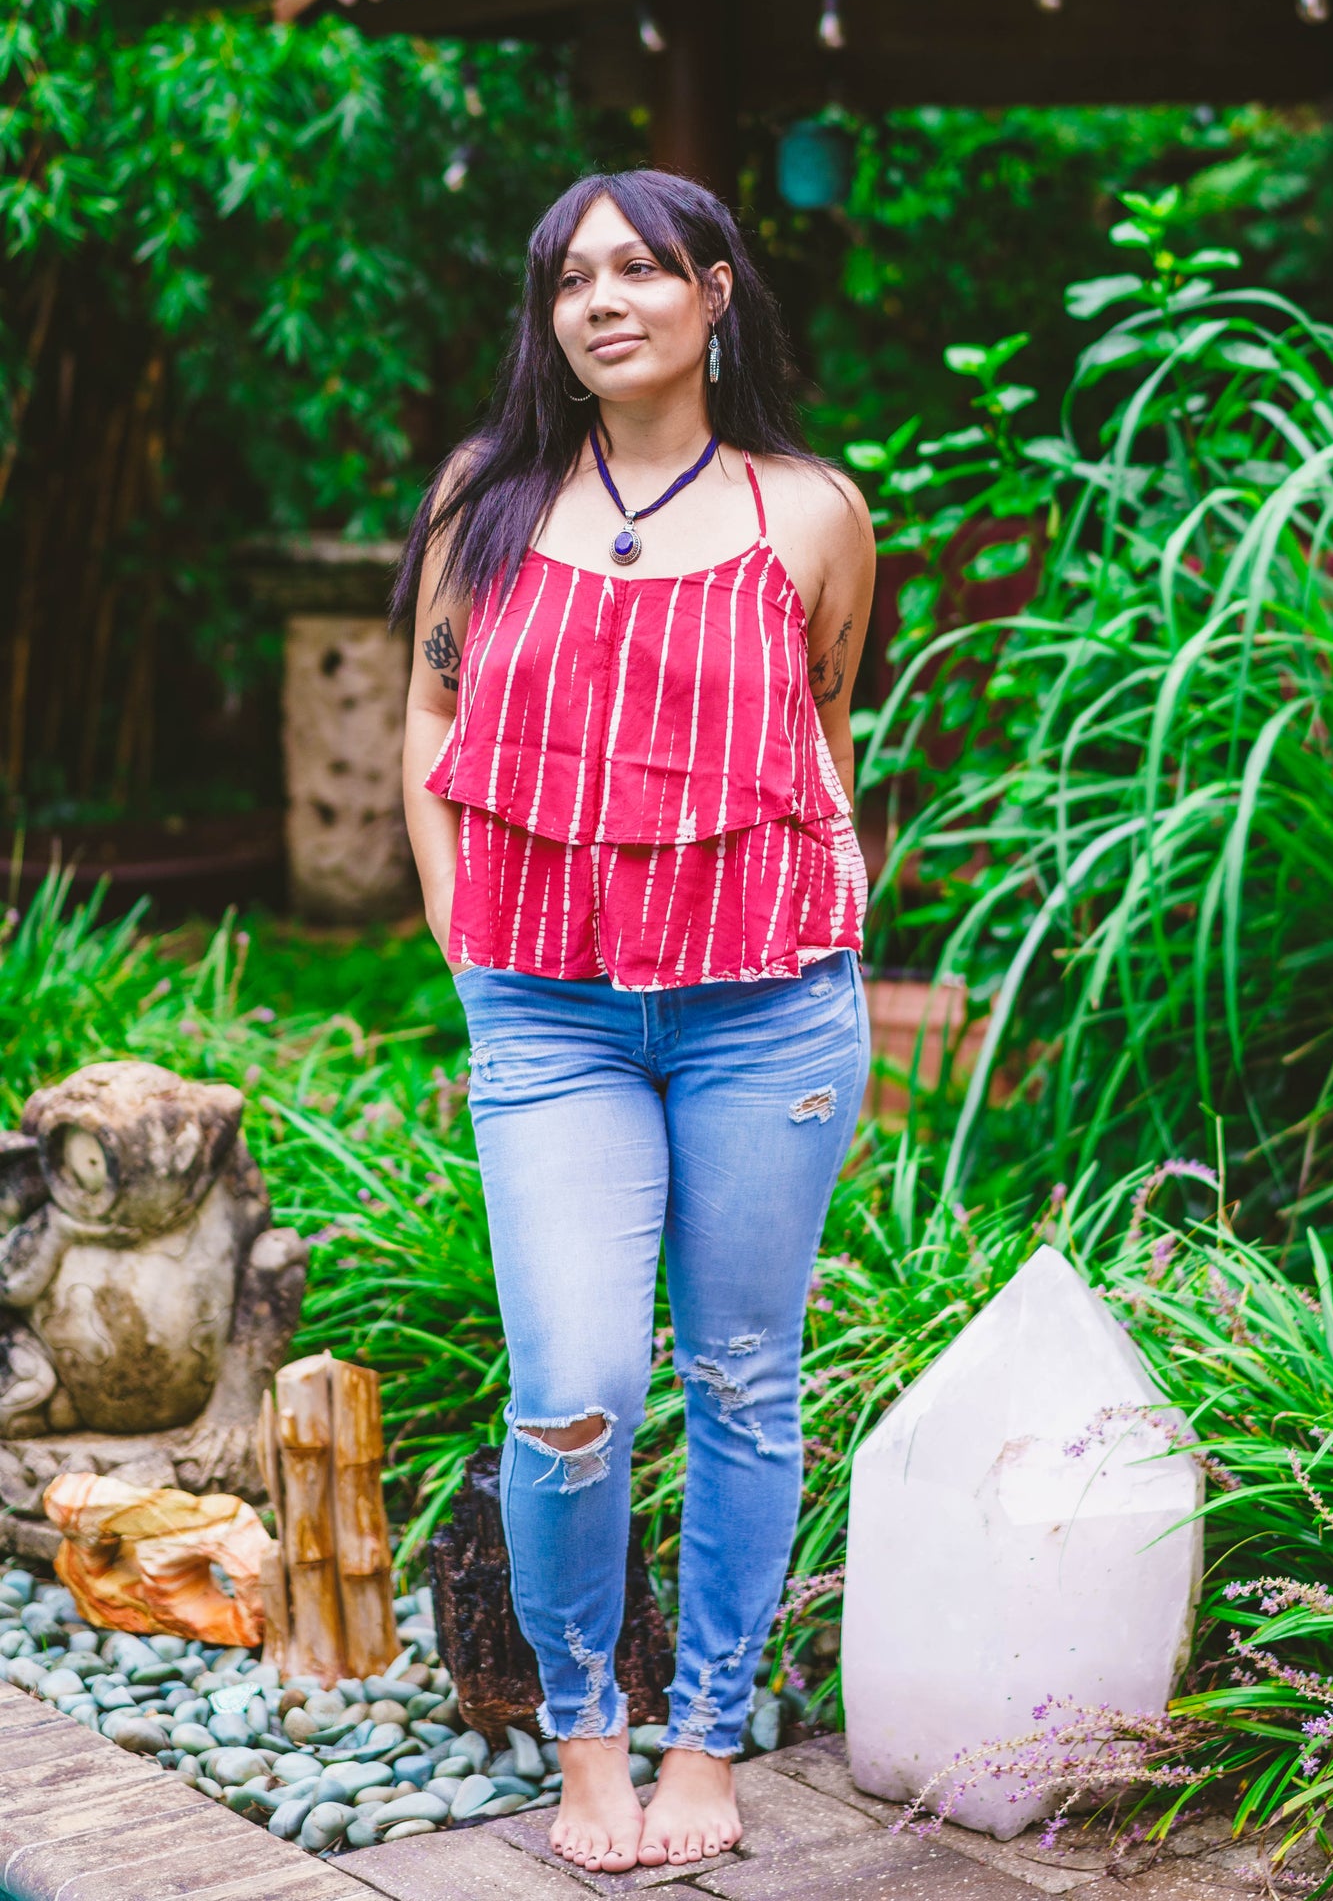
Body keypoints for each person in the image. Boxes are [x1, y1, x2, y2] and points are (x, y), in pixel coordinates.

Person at [395, 169, 874, 1875]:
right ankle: (585, 1731)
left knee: (743, 1380)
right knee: (575, 1387)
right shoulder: (488, 500)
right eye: (571, 279)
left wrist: (831, 905)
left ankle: (709, 1736)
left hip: (767, 1018)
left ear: (714, 294)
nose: (603, 302)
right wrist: (477, 964)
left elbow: (816, 726)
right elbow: (429, 735)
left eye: (640, 271)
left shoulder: (804, 510)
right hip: (552, 1021)